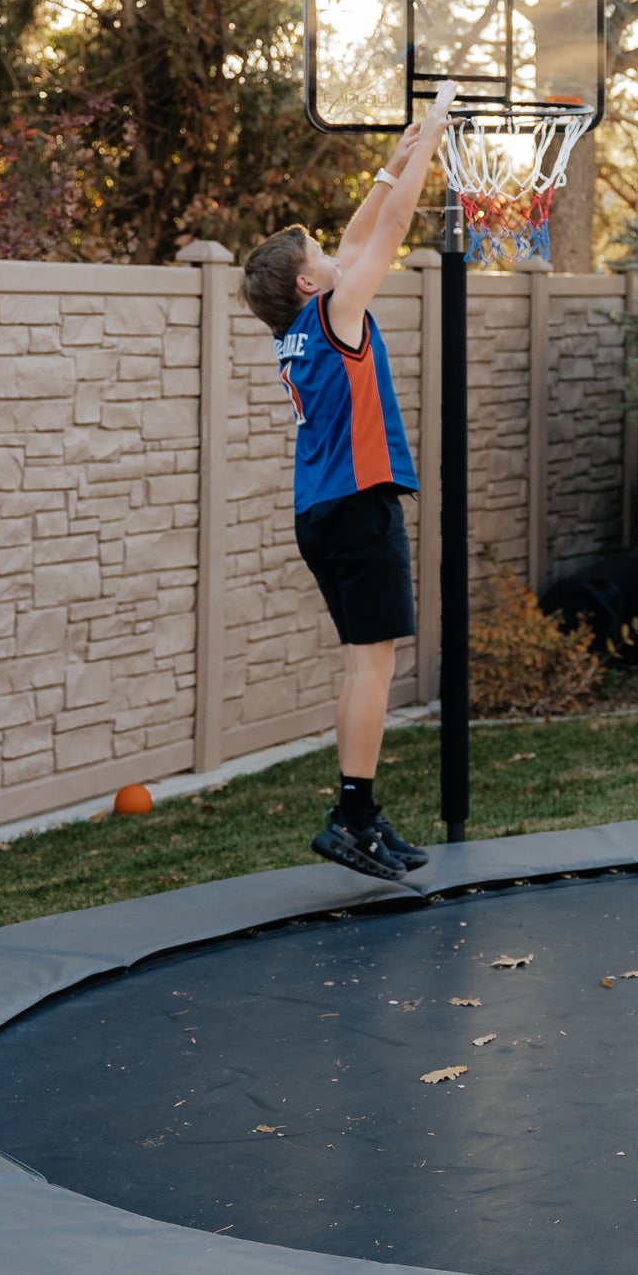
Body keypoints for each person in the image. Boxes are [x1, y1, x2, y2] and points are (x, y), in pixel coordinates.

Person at [240, 81, 457, 881]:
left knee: (362, 661)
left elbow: (361, 231)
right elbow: (390, 230)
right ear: (311, 284)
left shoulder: (300, 329)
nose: (338, 257)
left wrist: (394, 160)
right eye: (321, 259)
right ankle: (351, 818)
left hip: (322, 513)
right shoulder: (337, 317)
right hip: (359, 506)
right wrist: (435, 132)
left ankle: (359, 813)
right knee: (372, 664)